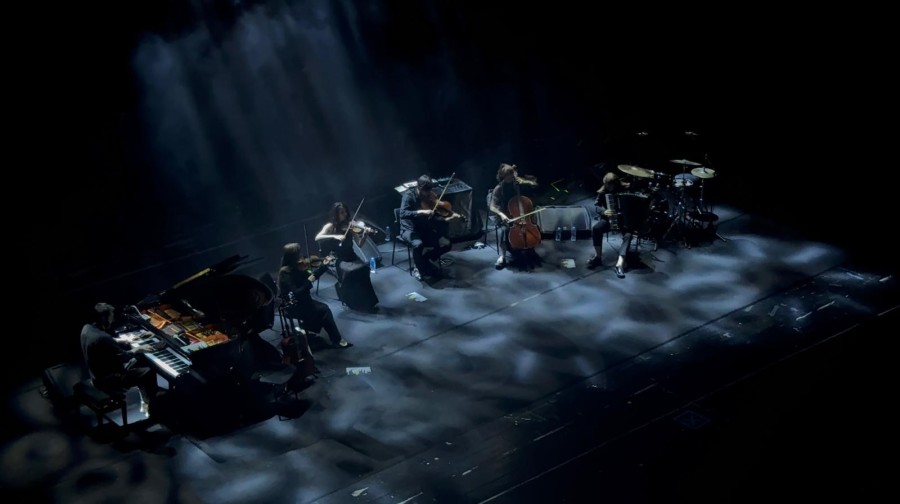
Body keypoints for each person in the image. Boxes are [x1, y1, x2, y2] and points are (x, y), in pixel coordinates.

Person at [80, 303, 163, 416]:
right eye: (111, 317)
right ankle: (153, 407)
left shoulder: (87, 328)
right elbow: (123, 357)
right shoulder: (103, 338)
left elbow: (100, 344)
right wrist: (138, 349)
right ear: (104, 318)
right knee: (149, 371)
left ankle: (146, 400)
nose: (113, 320)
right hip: (109, 380)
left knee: (140, 360)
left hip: (96, 374)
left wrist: (117, 341)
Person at [277, 242, 350, 348]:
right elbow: (296, 293)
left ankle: (334, 339)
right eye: (298, 254)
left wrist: (324, 266)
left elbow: (312, 275)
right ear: (292, 257)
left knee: (323, 310)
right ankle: (335, 339)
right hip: (294, 305)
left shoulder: (297, 267)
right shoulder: (285, 273)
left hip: (304, 301)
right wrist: (308, 281)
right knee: (324, 310)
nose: (302, 256)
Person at [315, 202, 380, 313]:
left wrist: (364, 234)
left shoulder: (351, 226)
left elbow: (359, 244)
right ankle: (351, 300)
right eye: (342, 213)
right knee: (351, 272)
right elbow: (317, 237)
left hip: (351, 255)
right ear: (336, 214)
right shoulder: (330, 226)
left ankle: (367, 302)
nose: (345, 214)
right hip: (338, 258)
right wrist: (335, 236)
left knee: (364, 269)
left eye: (345, 212)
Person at [399, 174, 461, 280]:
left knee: (446, 244)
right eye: (426, 191)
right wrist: (420, 212)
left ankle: (424, 260)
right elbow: (403, 213)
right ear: (419, 188)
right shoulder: (408, 196)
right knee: (418, 244)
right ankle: (419, 268)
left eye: (429, 190)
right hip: (409, 229)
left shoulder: (429, 197)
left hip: (424, 228)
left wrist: (449, 218)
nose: (428, 194)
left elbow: (435, 218)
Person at [488, 163, 539, 269]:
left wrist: (528, 183)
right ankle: (502, 256)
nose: (512, 176)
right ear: (503, 176)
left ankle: (530, 247)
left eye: (512, 174)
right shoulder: (499, 188)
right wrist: (502, 215)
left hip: (519, 212)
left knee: (532, 223)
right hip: (505, 213)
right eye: (509, 175)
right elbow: (492, 206)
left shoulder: (517, 182)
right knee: (505, 229)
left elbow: (533, 184)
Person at [588, 171, 632, 278]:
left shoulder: (625, 189)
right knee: (596, 229)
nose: (608, 187)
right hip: (609, 219)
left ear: (616, 184)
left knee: (628, 235)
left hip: (624, 221)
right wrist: (604, 211)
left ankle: (620, 264)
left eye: (610, 185)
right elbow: (596, 206)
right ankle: (598, 257)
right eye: (607, 185)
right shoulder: (603, 191)